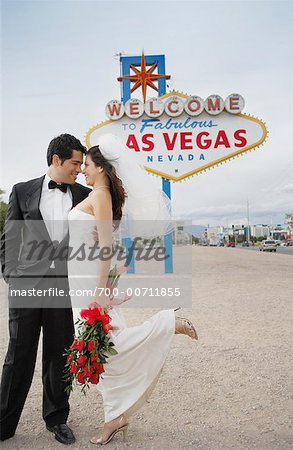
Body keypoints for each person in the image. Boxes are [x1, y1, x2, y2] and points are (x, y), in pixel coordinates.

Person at [67, 136, 198, 446]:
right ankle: (115, 417)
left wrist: (101, 289)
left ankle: (167, 324)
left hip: (89, 282)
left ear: (100, 167)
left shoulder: (100, 195)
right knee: (101, 347)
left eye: (87, 165)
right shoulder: (98, 194)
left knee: (99, 347)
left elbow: (107, 248)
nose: (84, 170)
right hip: (80, 278)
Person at [0, 134, 91, 444]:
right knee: (18, 355)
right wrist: (11, 274)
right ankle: (4, 422)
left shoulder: (85, 194)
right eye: (75, 163)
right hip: (27, 285)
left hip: (65, 288)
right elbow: (10, 237)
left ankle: (56, 419)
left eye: (82, 164)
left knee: (59, 355)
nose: (79, 169)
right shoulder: (22, 191)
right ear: (56, 160)